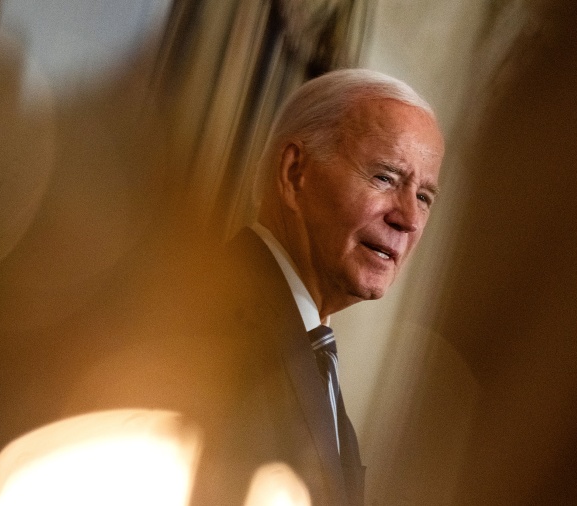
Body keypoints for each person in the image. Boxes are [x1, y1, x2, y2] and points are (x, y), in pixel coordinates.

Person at [68, 68, 444, 506]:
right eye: (385, 177)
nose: (409, 218)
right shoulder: (205, 320)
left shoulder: (313, 354)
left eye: (424, 197)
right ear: (294, 171)